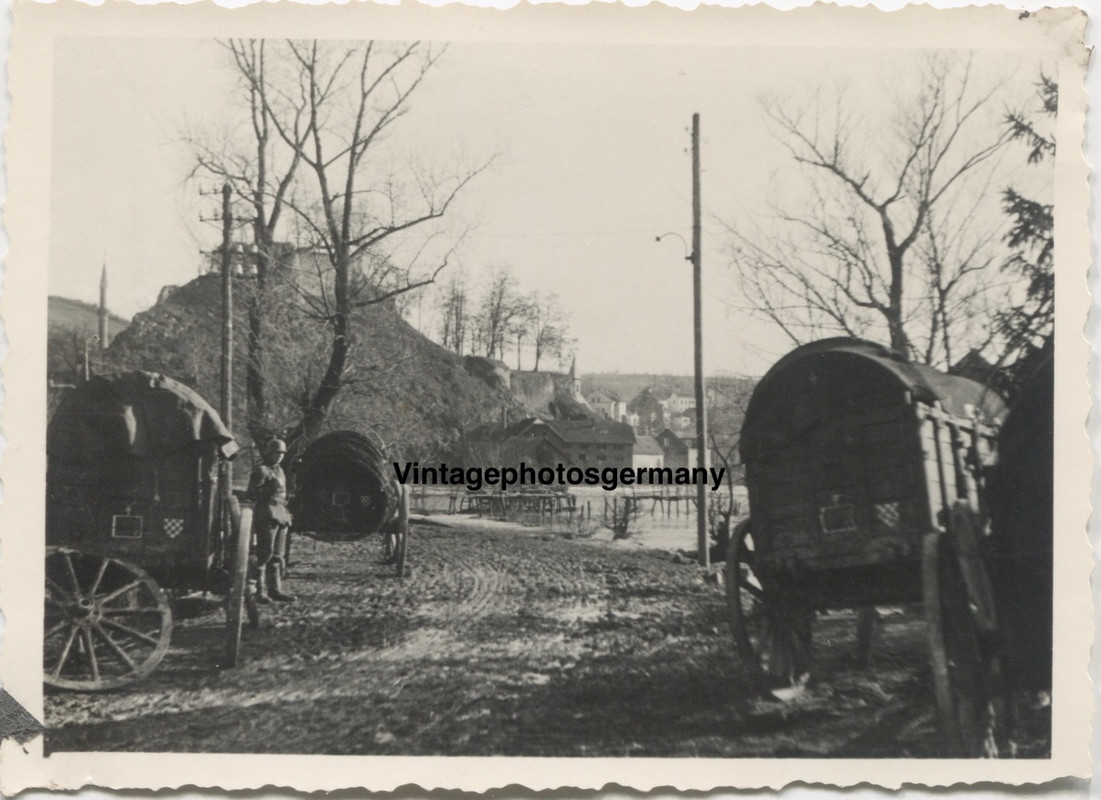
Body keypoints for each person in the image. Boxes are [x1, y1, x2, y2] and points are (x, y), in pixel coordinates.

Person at [248, 438, 296, 603]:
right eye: (276, 453)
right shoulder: (261, 470)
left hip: (281, 516)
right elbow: (252, 494)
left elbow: (283, 494)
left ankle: (275, 590)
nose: (279, 456)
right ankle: (259, 592)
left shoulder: (280, 471)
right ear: (269, 453)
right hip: (267, 516)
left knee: (277, 556)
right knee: (264, 554)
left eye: (282, 453)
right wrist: (270, 489)